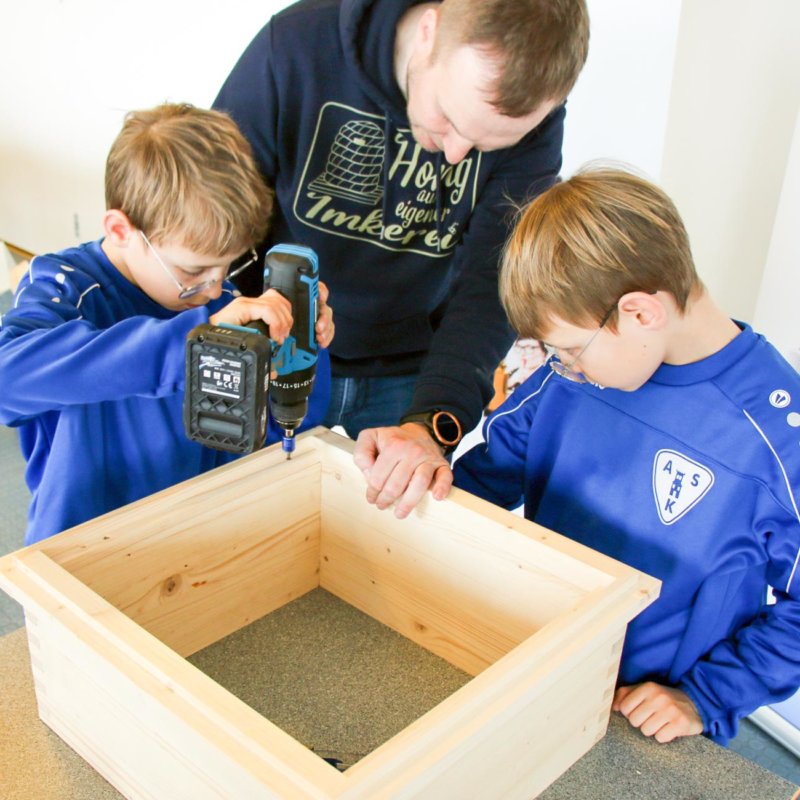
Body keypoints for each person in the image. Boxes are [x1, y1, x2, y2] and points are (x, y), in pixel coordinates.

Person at [453, 166, 800, 745]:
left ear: (641, 313)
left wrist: (706, 697)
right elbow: (492, 472)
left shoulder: (778, 437)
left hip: (642, 717)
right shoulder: (570, 379)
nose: (561, 366)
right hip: (534, 658)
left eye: (567, 349)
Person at [212, 0, 590, 518]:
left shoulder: (535, 121)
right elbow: (216, 210)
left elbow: (493, 278)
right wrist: (242, 331)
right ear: (429, 32)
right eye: (450, 118)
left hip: (415, 368)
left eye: (484, 144)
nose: (455, 154)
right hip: (284, 348)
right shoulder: (295, 47)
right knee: (244, 517)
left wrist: (432, 419)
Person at [0, 103, 333, 545]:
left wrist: (300, 349)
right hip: (78, 549)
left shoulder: (217, 303)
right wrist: (189, 347)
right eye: (194, 272)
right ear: (121, 231)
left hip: (193, 534)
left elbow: (269, 438)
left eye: (228, 267)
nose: (216, 290)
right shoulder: (65, 287)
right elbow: (8, 377)